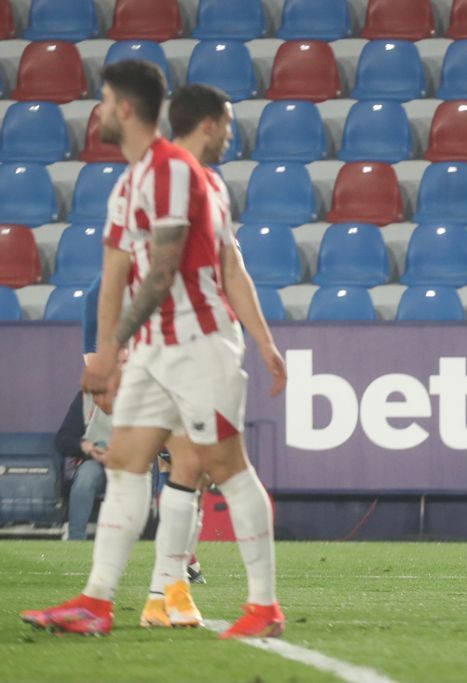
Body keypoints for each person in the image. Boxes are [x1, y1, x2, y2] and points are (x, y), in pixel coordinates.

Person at [20, 60, 284, 639]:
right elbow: (113, 274)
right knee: (124, 464)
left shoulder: (173, 173)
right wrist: (105, 353)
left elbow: (164, 272)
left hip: (199, 344)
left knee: (225, 468)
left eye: (105, 99)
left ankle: (263, 607)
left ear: (128, 109)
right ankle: (97, 602)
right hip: (150, 350)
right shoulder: (129, 183)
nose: (98, 109)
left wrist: (110, 347)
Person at [139, 82, 286, 630]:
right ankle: (252, 602)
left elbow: (229, 268)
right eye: (226, 121)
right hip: (192, 343)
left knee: (192, 467)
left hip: (176, 343)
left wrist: (266, 340)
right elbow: (216, 270)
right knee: (219, 468)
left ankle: (166, 592)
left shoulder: (196, 183)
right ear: (205, 123)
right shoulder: (178, 181)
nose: (231, 131)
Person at [53, 278, 109, 541]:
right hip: (97, 457)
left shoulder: (142, 392)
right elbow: (63, 439)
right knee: (85, 478)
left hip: (134, 458)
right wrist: (86, 448)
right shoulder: (86, 395)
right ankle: (75, 539)